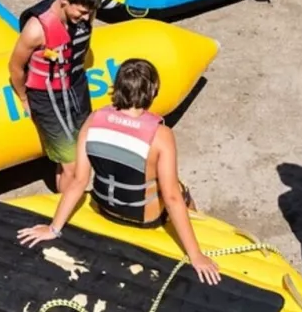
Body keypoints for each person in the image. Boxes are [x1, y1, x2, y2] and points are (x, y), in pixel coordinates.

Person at [17, 58, 220, 284]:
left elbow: (79, 181)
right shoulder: (161, 135)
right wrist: (196, 256)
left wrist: (53, 229)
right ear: (153, 91)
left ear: (117, 87)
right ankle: (202, 231)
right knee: (179, 190)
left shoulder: (93, 120)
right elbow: (171, 198)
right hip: (145, 219)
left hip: (105, 209)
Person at [9, 0, 103, 195]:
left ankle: (66, 198)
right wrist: (23, 98)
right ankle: (66, 208)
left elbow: (80, 49)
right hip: (47, 98)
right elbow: (15, 67)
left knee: (82, 152)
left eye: (90, 13)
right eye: (82, 12)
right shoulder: (36, 30)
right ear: (65, 0)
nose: (86, 18)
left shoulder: (84, 16)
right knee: (71, 165)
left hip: (76, 87)